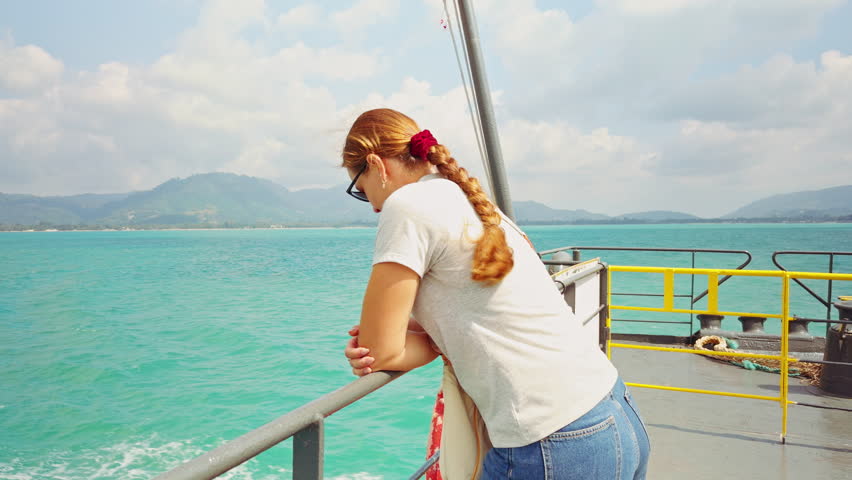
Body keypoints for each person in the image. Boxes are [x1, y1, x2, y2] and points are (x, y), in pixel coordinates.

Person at [341, 108, 650, 479]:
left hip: (553, 440)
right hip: (614, 409)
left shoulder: (405, 206)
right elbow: (474, 314)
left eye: (361, 190)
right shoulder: (463, 197)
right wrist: (427, 337)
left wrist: (387, 343)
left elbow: (380, 352)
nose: (372, 205)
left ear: (377, 165)